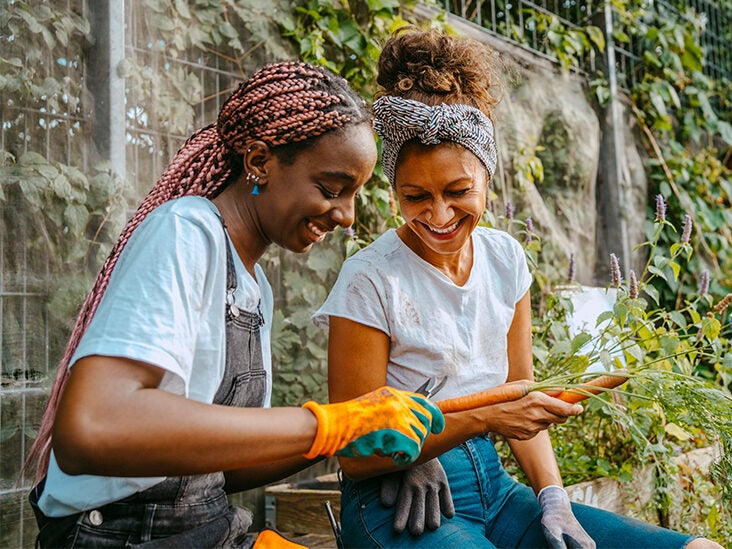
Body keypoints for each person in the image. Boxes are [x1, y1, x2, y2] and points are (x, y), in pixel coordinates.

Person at [314, 27, 723, 548]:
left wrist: (552, 495)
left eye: (459, 191)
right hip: (399, 502)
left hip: (498, 491)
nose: (438, 214)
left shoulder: (505, 259)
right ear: (393, 188)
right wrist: (426, 442)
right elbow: (354, 449)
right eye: (415, 195)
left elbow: (520, 398)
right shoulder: (370, 278)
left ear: (489, 178)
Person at [24, 60, 445, 548]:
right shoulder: (185, 232)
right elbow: (93, 428)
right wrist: (328, 424)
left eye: (353, 195)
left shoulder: (252, 284)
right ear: (260, 161)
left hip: (206, 529)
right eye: (332, 189)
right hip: (120, 534)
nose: (346, 216)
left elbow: (226, 467)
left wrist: (347, 430)